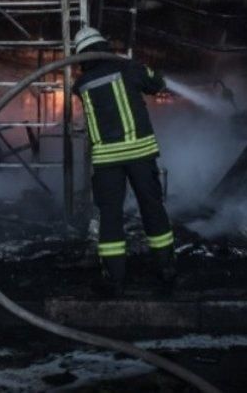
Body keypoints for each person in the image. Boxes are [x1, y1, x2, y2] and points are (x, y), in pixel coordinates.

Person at [70, 27, 176, 297]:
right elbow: (157, 83)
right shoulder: (129, 68)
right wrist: (140, 67)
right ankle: (166, 268)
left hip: (107, 161)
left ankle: (114, 277)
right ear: (105, 47)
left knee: (110, 216)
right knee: (152, 207)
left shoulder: (81, 85)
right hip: (140, 154)